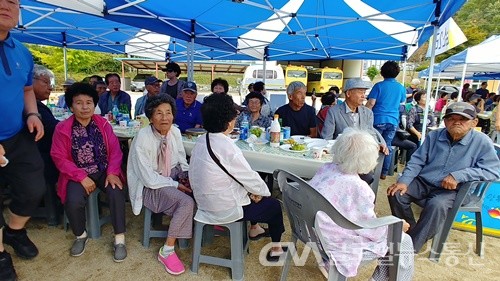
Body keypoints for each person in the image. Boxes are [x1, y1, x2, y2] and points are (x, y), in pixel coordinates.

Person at [387, 102, 500, 252]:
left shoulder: (482, 142)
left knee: (437, 205)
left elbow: (493, 171)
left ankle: (412, 246)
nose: (456, 122)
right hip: (425, 182)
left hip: (455, 190)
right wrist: (404, 181)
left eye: (463, 119)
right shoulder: (434, 135)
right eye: (451, 118)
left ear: (474, 122)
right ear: (445, 121)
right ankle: (411, 232)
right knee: (396, 193)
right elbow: (417, 160)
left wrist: (459, 175)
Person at [189, 94, 286, 262]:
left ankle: (255, 228)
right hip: (224, 208)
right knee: (273, 205)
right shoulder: (226, 146)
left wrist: (253, 192)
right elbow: (250, 179)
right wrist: (262, 193)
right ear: (229, 122)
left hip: (203, 203)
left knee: (252, 194)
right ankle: (276, 249)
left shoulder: (201, 140)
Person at [310, 128, 414, 280]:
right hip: (334, 242)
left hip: (314, 232)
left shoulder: (327, 169)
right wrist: (396, 226)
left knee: (397, 238)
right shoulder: (357, 187)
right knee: (402, 240)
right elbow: (370, 229)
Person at [51, 83, 127, 262]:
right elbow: (59, 157)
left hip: (103, 170)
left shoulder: (103, 124)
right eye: (79, 103)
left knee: (116, 192)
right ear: (71, 106)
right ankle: (80, 235)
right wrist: (81, 177)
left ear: (95, 105)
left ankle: (120, 239)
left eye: (89, 102)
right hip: (76, 173)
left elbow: (116, 150)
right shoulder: (62, 128)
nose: (84, 107)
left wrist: (112, 172)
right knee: (73, 200)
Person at [0, 2, 46, 279]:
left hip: (17, 135)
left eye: (13, 1)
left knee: (33, 188)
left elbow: (28, 88)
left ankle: (15, 231)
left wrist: (33, 113)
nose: (6, 5)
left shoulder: (22, 51)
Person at [127, 95, 194, 276]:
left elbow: (181, 158)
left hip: (172, 175)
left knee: (200, 188)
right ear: (150, 117)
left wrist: (187, 177)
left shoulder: (175, 132)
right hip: (151, 185)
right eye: (159, 113)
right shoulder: (142, 137)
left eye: (168, 113)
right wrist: (175, 185)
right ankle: (167, 250)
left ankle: (197, 229)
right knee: (186, 202)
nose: (165, 118)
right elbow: (148, 178)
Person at [366, 61, 406, 180]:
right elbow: (401, 104)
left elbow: (371, 103)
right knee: (387, 145)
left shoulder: (379, 86)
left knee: (373, 145)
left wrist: (363, 113)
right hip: (393, 120)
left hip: (378, 119)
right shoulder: (401, 88)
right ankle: (383, 172)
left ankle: (370, 170)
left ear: (382, 72)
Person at [33, 65, 60, 224]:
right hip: (41, 156)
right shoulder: (33, 107)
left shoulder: (37, 105)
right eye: (45, 82)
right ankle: (53, 208)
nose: (50, 87)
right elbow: (53, 128)